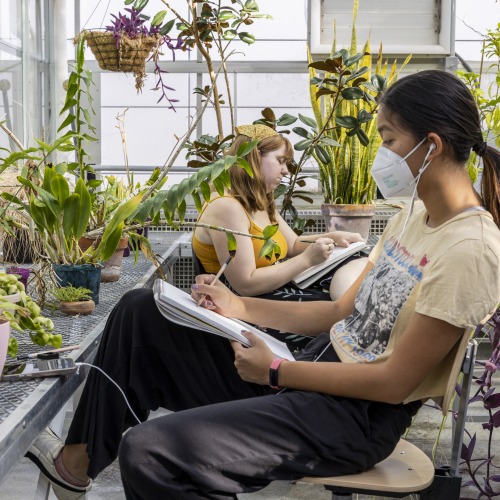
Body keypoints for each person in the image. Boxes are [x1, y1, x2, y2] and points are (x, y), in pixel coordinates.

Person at [27, 70, 500, 500]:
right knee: (139, 312)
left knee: (151, 453)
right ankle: (76, 466)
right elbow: (338, 315)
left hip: (353, 417)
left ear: (431, 146)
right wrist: (238, 308)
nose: (381, 155)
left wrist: (274, 371)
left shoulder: (471, 249)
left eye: (389, 138)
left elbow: (395, 383)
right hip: (315, 365)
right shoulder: (414, 216)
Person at [192, 123, 366, 302]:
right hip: (243, 306)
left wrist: (334, 236)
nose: (285, 170)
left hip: (271, 293)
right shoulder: (226, 206)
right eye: (280, 161)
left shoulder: (259, 201)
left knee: (358, 263)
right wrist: (306, 260)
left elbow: (293, 245)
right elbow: (245, 284)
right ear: (254, 157)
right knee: (340, 306)